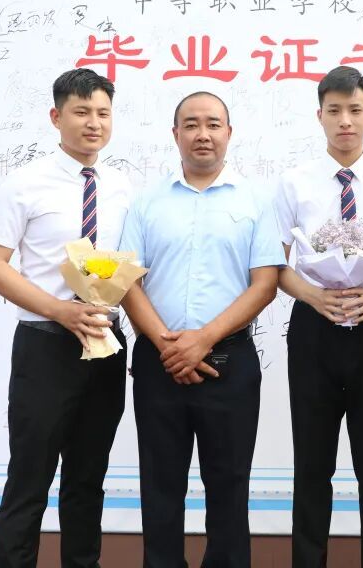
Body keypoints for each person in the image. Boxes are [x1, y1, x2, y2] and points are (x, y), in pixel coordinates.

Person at [119, 91, 285, 568]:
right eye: (191, 124)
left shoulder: (256, 201)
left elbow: (265, 284)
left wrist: (203, 340)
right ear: (176, 134)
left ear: (229, 133)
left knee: (229, 485)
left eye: (213, 124)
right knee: (160, 485)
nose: (202, 134)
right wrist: (169, 346)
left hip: (229, 362)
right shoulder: (147, 203)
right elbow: (126, 280)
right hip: (159, 361)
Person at [0, 68, 133, 568]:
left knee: (88, 480)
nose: (94, 123)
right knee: (30, 477)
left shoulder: (122, 187)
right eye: (81, 112)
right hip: (45, 344)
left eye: (103, 113)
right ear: (56, 116)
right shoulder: (26, 183)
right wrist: (60, 311)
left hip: (105, 344)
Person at [274, 66, 363, 567]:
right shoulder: (295, 183)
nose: (345, 120)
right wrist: (312, 295)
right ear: (320, 116)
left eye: (355, 110)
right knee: (312, 467)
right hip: (314, 331)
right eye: (335, 111)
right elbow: (274, 265)